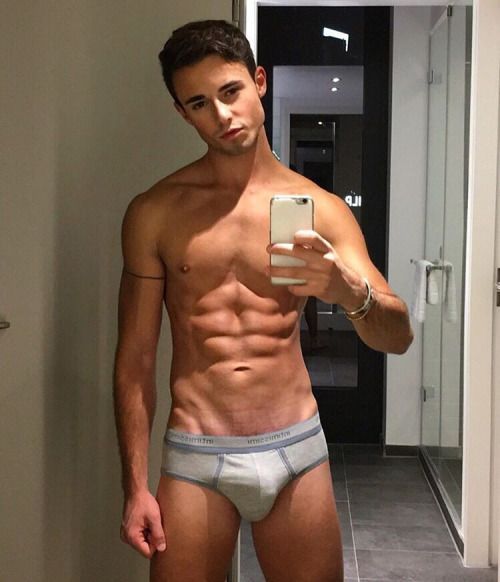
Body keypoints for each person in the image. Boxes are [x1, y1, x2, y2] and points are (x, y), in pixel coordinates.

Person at [113, 19, 413, 582]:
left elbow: (398, 336)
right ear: (182, 113)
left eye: (231, 91)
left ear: (259, 81)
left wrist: (347, 292)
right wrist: (134, 487)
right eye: (199, 103)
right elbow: (135, 358)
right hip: (197, 451)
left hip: (294, 448)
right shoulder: (155, 212)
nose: (222, 115)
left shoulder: (321, 208)